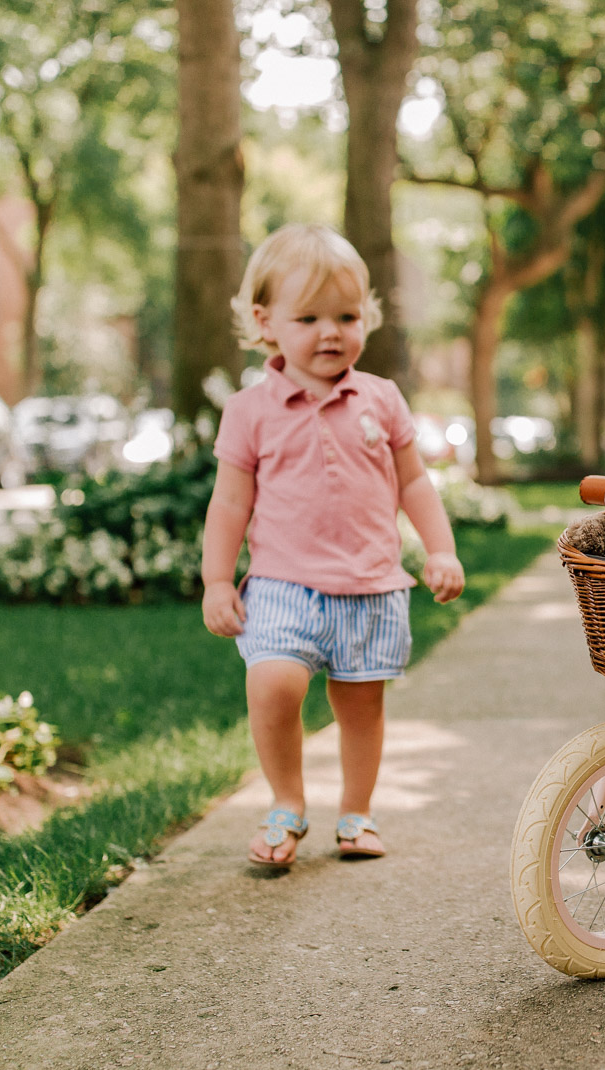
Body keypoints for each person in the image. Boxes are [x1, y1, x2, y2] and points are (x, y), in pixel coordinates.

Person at [201, 224, 464, 865]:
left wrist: (440, 549)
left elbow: (415, 484)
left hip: (370, 585)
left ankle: (357, 812)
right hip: (282, 585)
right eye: (310, 317)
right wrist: (215, 579)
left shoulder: (382, 398)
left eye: (347, 316)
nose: (331, 332)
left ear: (366, 317)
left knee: (360, 705)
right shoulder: (250, 410)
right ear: (266, 323)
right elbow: (230, 502)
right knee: (273, 685)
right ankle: (287, 802)